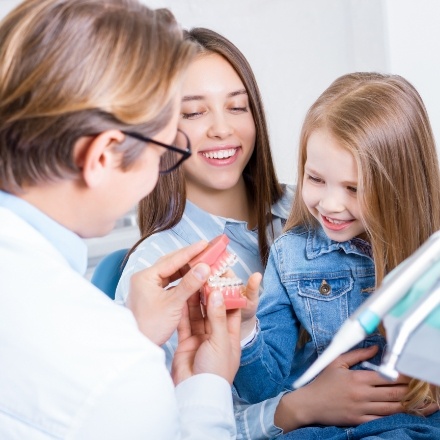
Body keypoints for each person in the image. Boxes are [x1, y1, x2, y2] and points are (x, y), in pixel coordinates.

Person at [115, 30, 422, 439]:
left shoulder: (322, 211)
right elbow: (165, 427)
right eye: (193, 113)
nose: (222, 129)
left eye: (237, 107)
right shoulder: (156, 270)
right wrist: (299, 407)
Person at [0, 1, 244, 438]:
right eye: (163, 151)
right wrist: (206, 389)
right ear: (102, 156)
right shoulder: (117, 374)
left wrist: (130, 331)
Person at [234, 72, 440, 438]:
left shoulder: (430, 253)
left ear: (400, 185)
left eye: (353, 188)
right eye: (315, 179)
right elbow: (262, 390)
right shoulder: (291, 255)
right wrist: (246, 329)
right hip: (323, 428)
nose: (329, 204)